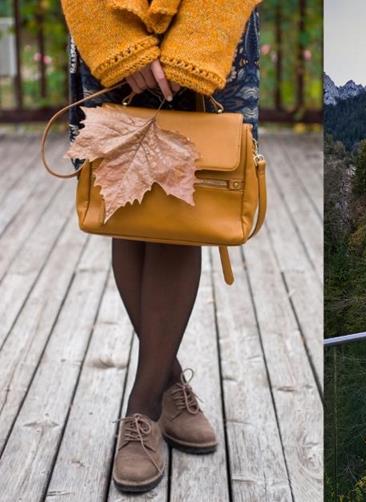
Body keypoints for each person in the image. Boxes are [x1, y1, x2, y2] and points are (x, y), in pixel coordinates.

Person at [61, 0, 262, 492]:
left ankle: (143, 405)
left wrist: (197, 39)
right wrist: (117, 43)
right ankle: (167, 383)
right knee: (127, 202)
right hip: (104, 15)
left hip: (212, 25)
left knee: (183, 199)